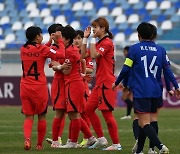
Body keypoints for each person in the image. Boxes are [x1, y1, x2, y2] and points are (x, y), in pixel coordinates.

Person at [112, 22, 180, 154]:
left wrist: (117, 82)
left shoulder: (134, 49)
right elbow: (167, 71)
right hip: (156, 90)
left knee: (142, 122)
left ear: (138, 35)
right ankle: (146, 150)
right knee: (152, 119)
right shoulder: (161, 50)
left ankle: (160, 146)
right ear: (154, 35)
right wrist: (175, 86)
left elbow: (126, 68)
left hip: (141, 90)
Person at [51, 25, 98, 148]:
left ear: (66, 39)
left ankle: (73, 142)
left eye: (61, 38)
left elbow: (66, 71)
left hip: (73, 84)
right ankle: (89, 138)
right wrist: (81, 73)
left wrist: (58, 66)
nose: (60, 40)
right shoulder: (71, 49)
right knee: (73, 113)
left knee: (74, 114)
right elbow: (81, 61)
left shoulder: (70, 51)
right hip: (73, 82)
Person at [20, 26, 65, 150]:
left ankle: (27, 139)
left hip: (24, 86)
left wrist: (50, 42)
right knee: (42, 115)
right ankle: (39, 145)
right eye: (41, 35)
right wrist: (59, 40)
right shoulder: (43, 49)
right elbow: (61, 54)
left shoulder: (23, 49)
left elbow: (37, 50)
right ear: (37, 36)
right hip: (39, 87)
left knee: (29, 116)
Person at [81, 17, 122, 151]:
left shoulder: (107, 42)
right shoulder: (98, 42)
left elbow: (93, 54)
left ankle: (116, 144)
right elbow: (82, 55)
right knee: (88, 109)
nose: (93, 29)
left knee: (107, 114)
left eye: (96, 27)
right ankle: (101, 139)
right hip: (99, 83)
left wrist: (92, 38)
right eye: (92, 27)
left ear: (103, 28)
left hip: (107, 83)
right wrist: (85, 38)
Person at [44, 24, 71, 148]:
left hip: (71, 81)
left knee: (74, 112)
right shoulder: (52, 49)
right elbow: (55, 65)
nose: (61, 34)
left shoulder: (68, 45)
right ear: (52, 35)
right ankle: (58, 138)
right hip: (60, 82)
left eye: (61, 32)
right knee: (62, 111)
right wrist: (61, 67)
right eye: (58, 32)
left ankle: (90, 137)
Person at [73, 30, 94, 147]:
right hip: (73, 85)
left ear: (82, 39)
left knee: (83, 113)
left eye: (78, 38)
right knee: (74, 113)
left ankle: (87, 138)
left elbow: (90, 69)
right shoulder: (72, 51)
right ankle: (73, 139)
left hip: (82, 86)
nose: (76, 41)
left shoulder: (86, 53)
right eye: (74, 38)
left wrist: (80, 71)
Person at [120, 46, 133, 120]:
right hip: (132, 82)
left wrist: (125, 83)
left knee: (124, 97)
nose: (124, 53)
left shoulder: (129, 60)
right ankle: (128, 115)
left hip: (129, 82)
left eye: (125, 52)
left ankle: (139, 109)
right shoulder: (132, 59)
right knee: (129, 98)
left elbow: (126, 73)